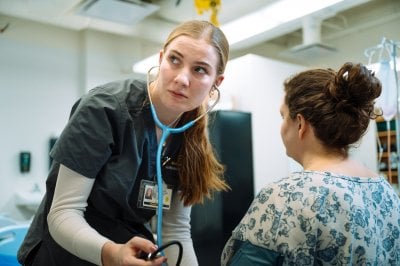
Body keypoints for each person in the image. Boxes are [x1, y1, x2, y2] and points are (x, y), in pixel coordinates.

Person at [18, 20, 230, 266]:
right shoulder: (104, 109)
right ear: (161, 59)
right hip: (62, 255)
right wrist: (112, 254)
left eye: (200, 69)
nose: (183, 78)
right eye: (174, 60)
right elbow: (63, 212)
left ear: (217, 82)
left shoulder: (191, 138)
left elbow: (176, 231)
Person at [221, 62, 400, 265]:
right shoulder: (386, 192)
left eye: (283, 116)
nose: (281, 127)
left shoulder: (286, 196)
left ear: (300, 124)